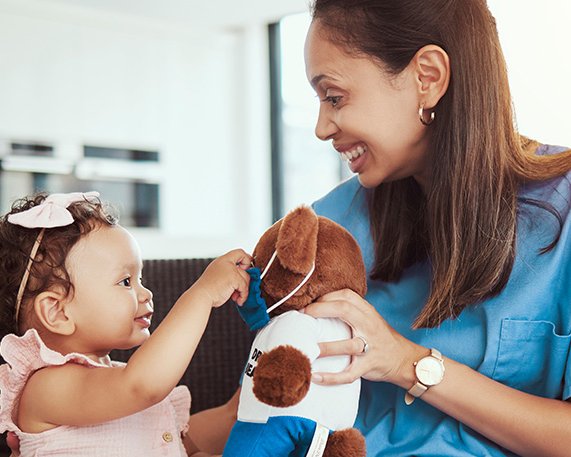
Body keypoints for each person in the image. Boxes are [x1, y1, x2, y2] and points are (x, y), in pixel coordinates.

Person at [187, 1, 571, 456]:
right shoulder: (330, 228)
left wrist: (406, 362)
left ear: (427, 77)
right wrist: (121, 426)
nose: (321, 127)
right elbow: (259, 407)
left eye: (334, 96)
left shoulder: (561, 212)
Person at [0, 191, 252, 457]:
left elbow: (178, 444)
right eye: (125, 282)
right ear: (57, 313)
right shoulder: (47, 388)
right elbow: (143, 385)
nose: (146, 294)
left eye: (140, 279)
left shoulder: (117, 381)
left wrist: (243, 405)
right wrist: (202, 294)